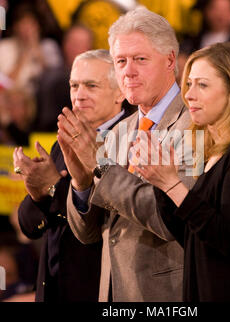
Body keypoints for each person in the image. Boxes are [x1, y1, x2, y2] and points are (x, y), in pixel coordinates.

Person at [58, 8, 197, 301]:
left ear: (170, 60)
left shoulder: (192, 124)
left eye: (140, 59)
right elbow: (89, 233)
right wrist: (81, 184)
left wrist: (101, 165)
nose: (128, 71)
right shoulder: (119, 131)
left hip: (165, 295)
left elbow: (170, 220)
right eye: (120, 61)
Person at [133, 42, 230, 301]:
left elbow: (228, 238)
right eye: (189, 83)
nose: (189, 95)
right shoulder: (213, 156)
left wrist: (172, 185)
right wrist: (160, 181)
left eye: (202, 85)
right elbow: (192, 237)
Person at [13, 49, 136, 302]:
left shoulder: (134, 142)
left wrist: (54, 189)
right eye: (74, 85)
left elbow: (108, 221)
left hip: (99, 290)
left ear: (120, 92)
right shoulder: (63, 140)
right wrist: (37, 193)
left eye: (91, 86)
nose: (79, 95)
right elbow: (29, 227)